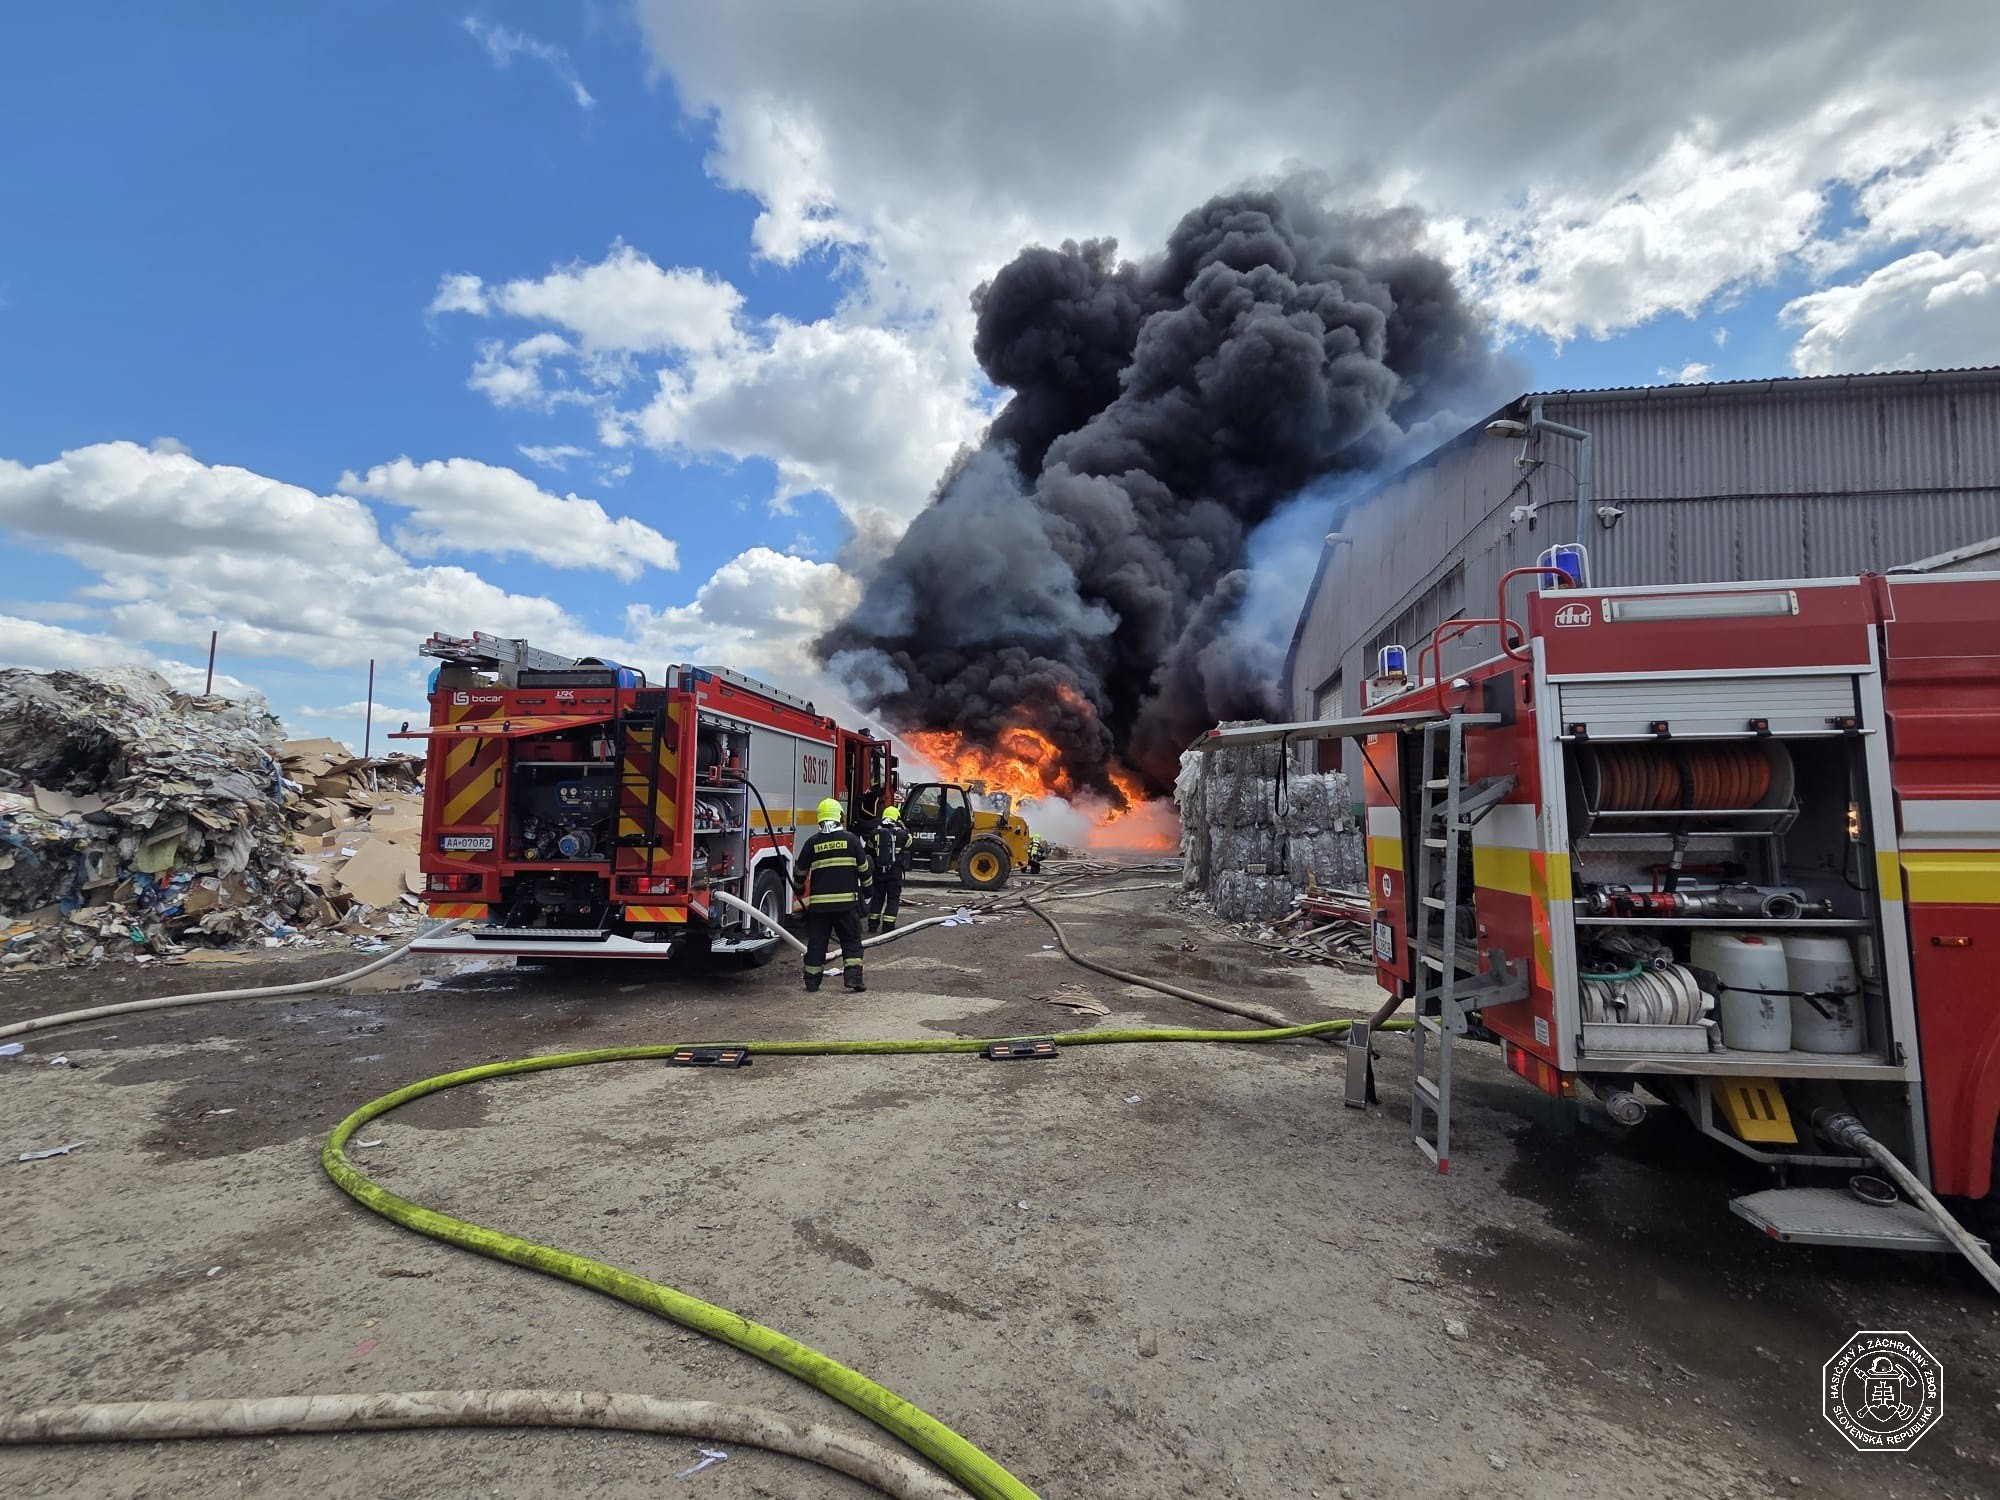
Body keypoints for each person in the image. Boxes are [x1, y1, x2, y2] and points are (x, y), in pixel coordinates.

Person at [791, 797, 872, 993]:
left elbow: (800, 871)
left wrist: (799, 889)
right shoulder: (852, 840)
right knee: (851, 941)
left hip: (819, 908)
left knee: (817, 944)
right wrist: (868, 892)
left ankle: (812, 981)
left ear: (820, 818)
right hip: (846, 906)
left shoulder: (812, 843)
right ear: (839, 817)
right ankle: (853, 979)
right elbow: (865, 870)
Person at [867, 805, 912, 934]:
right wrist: (904, 827)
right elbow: (910, 843)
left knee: (877, 898)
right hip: (894, 872)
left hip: (879, 872)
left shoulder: (875, 833)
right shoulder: (902, 834)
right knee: (893, 898)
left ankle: (872, 925)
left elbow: (869, 850)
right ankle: (888, 926)